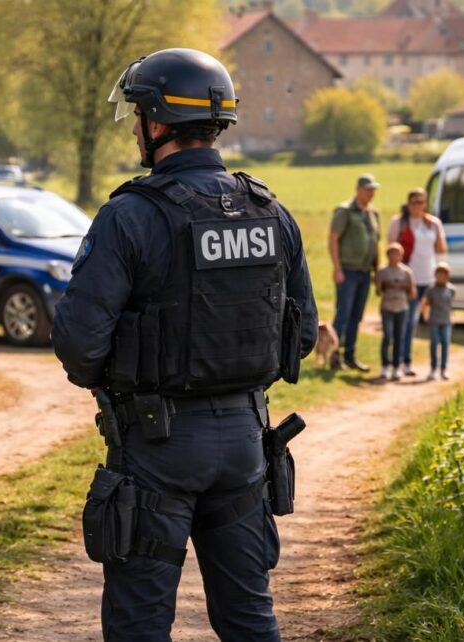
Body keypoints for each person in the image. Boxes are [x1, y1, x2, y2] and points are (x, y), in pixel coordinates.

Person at [52, 48, 317, 642]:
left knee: (140, 623)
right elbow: (299, 336)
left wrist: (114, 373)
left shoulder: (130, 216)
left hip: (157, 447)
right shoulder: (270, 210)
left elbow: (76, 341)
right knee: (250, 619)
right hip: (247, 446)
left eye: (138, 117)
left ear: (157, 122)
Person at [386, 187, 447, 376]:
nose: (418, 206)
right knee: (408, 322)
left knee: (428, 322)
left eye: (422, 202)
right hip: (408, 279)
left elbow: (441, 248)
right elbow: (390, 248)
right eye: (415, 202)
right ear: (409, 204)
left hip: (428, 278)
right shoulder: (399, 223)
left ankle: (434, 364)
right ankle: (404, 361)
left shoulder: (433, 223)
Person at [329, 173, 381, 372]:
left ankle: (350, 355)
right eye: (368, 189)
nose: (371, 193)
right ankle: (335, 356)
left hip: (365, 271)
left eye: (373, 190)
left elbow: (376, 243)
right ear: (358, 189)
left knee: (357, 316)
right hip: (348, 271)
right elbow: (333, 239)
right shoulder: (344, 211)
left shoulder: (373, 214)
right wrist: (337, 268)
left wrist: (377, 271)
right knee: (343, 313)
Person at [375, 242, 416, 381]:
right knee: (387, 336)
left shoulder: (407, 272)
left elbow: (412, 293)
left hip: (402, 307)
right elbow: (377, 291)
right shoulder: (382, 272)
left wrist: (403, 286)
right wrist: (386, 285)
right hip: (387, 306)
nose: (394, 256)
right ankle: (385, 365)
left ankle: (396, 366)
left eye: (397, 253)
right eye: (392, 253)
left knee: (399, 337)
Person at [421, 262, 456, 380]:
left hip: (446, 321)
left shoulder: (451, 289)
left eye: (443, 274)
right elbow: (425, 303)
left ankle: (444, 368)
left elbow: (451, 305)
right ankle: (433, 368)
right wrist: (424, 315)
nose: (441, 276)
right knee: (434, 343)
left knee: (445, 344)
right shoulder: (431, 289)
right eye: (439, 273)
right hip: (434, 320)